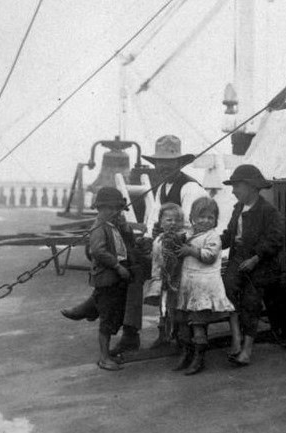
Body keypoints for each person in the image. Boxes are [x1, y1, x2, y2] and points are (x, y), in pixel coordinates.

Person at [61, 135, 207, 353]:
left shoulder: (190, 188)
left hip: (188, 251)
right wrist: (148, 238)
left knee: (134, 270)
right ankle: (128, 331)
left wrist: (168, 237)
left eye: (169, 162)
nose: (163, 167)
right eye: (159, 163)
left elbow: (196, 228)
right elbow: (153, 221)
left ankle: (106, 314)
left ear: (179, 163)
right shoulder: (162, 187)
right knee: (130, 267)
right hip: (164, 249)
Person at [221, 164, 285, 366]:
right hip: (238, 258)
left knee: (251, 302)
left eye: (236, 186)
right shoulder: (238, 208)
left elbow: (275, 239)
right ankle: (236, 339)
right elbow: (229, 236)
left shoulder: (268, 211)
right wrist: (206, 242)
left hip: (260, 264)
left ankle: (246, 350)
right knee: (228, 293)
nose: (233, 191)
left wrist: (256, 258)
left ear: (251, 187)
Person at [173, 196, 235, 375]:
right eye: (201, 217)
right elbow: (179, 241)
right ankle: (186, 353)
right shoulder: (190, 233)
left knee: (198, 322)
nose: (206, 221)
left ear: (216, 220)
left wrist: (190, 250)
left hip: (204, 287)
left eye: (210, 217)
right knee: (184, 322)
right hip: (188, 285)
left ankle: (199, 358)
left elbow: (209, 256)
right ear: (192, 216)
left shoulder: (213, 236)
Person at [85, 187, 135, 371]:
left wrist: (125, 227)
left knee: (114, 316)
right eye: (110, 209)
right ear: (100, 208)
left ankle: (107, 355)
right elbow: (97, 251)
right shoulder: (99, 227)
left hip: (116, 280)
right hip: (106, 279)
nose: (114, 212)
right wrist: (117, 266)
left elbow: (128, 243)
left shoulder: (113, 225)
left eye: (117, 209)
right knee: (106, 320)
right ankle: (104, 357)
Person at [143, 203, 186, 348]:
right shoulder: (159, 239)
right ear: (161, 222)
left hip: (172, 280)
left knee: (173, 307)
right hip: (158, 278)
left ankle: (176, 336)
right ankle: (163, 335)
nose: (173, 223)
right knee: (162, 308)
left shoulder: (178, 239)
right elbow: (156, 256)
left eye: (177, 220)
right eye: (169, 220)